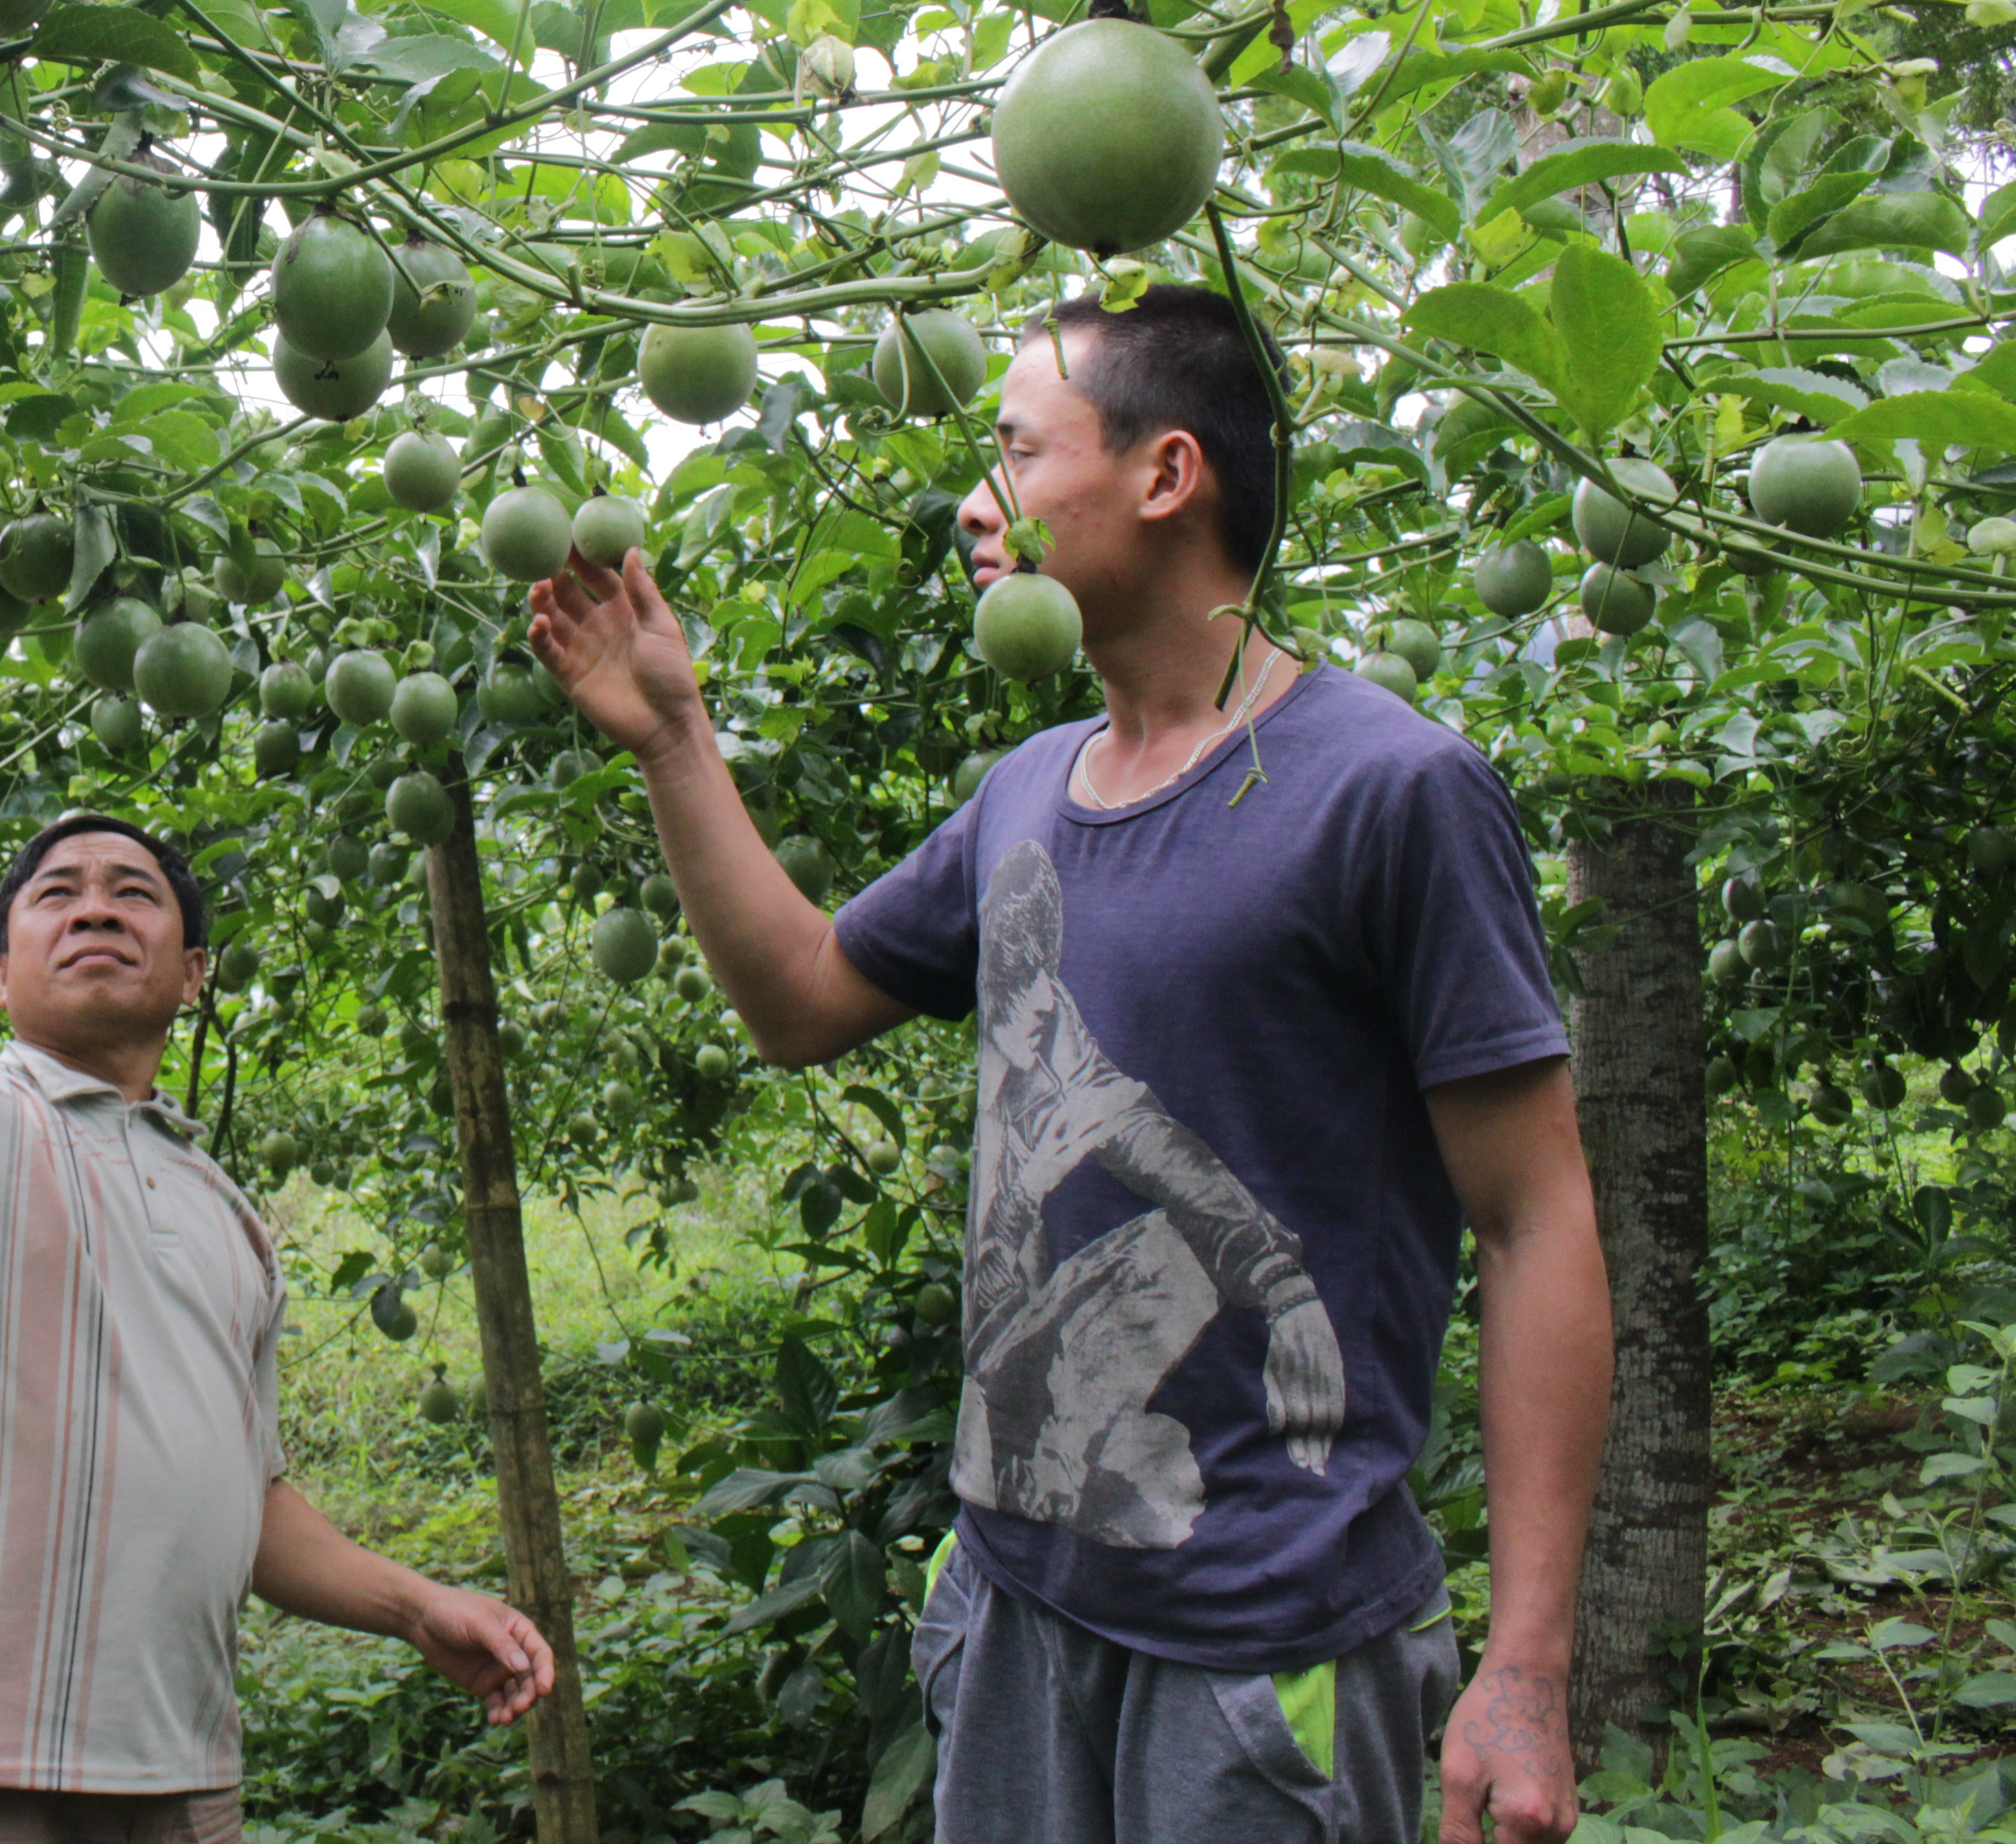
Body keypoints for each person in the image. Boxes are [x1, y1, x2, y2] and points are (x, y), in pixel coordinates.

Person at [526, 285, 1612, 1844]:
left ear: (1168, 475)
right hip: (1020, 1602)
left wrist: (1528, 1667)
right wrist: (676, 741)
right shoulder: (1036, 789)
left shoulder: (1394, 792)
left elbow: (1534, 1222)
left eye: (1016, 454)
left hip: (1270, 1647)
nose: (975, 502)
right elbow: (806, 1000)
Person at [0, 614, 556, 1844]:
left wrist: (414, 1607)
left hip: (180, 1782)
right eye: (56, 896)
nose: (95, 908)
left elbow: (248, 1500)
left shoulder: (230, 1217)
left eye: (135, 893)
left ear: (194, 974)